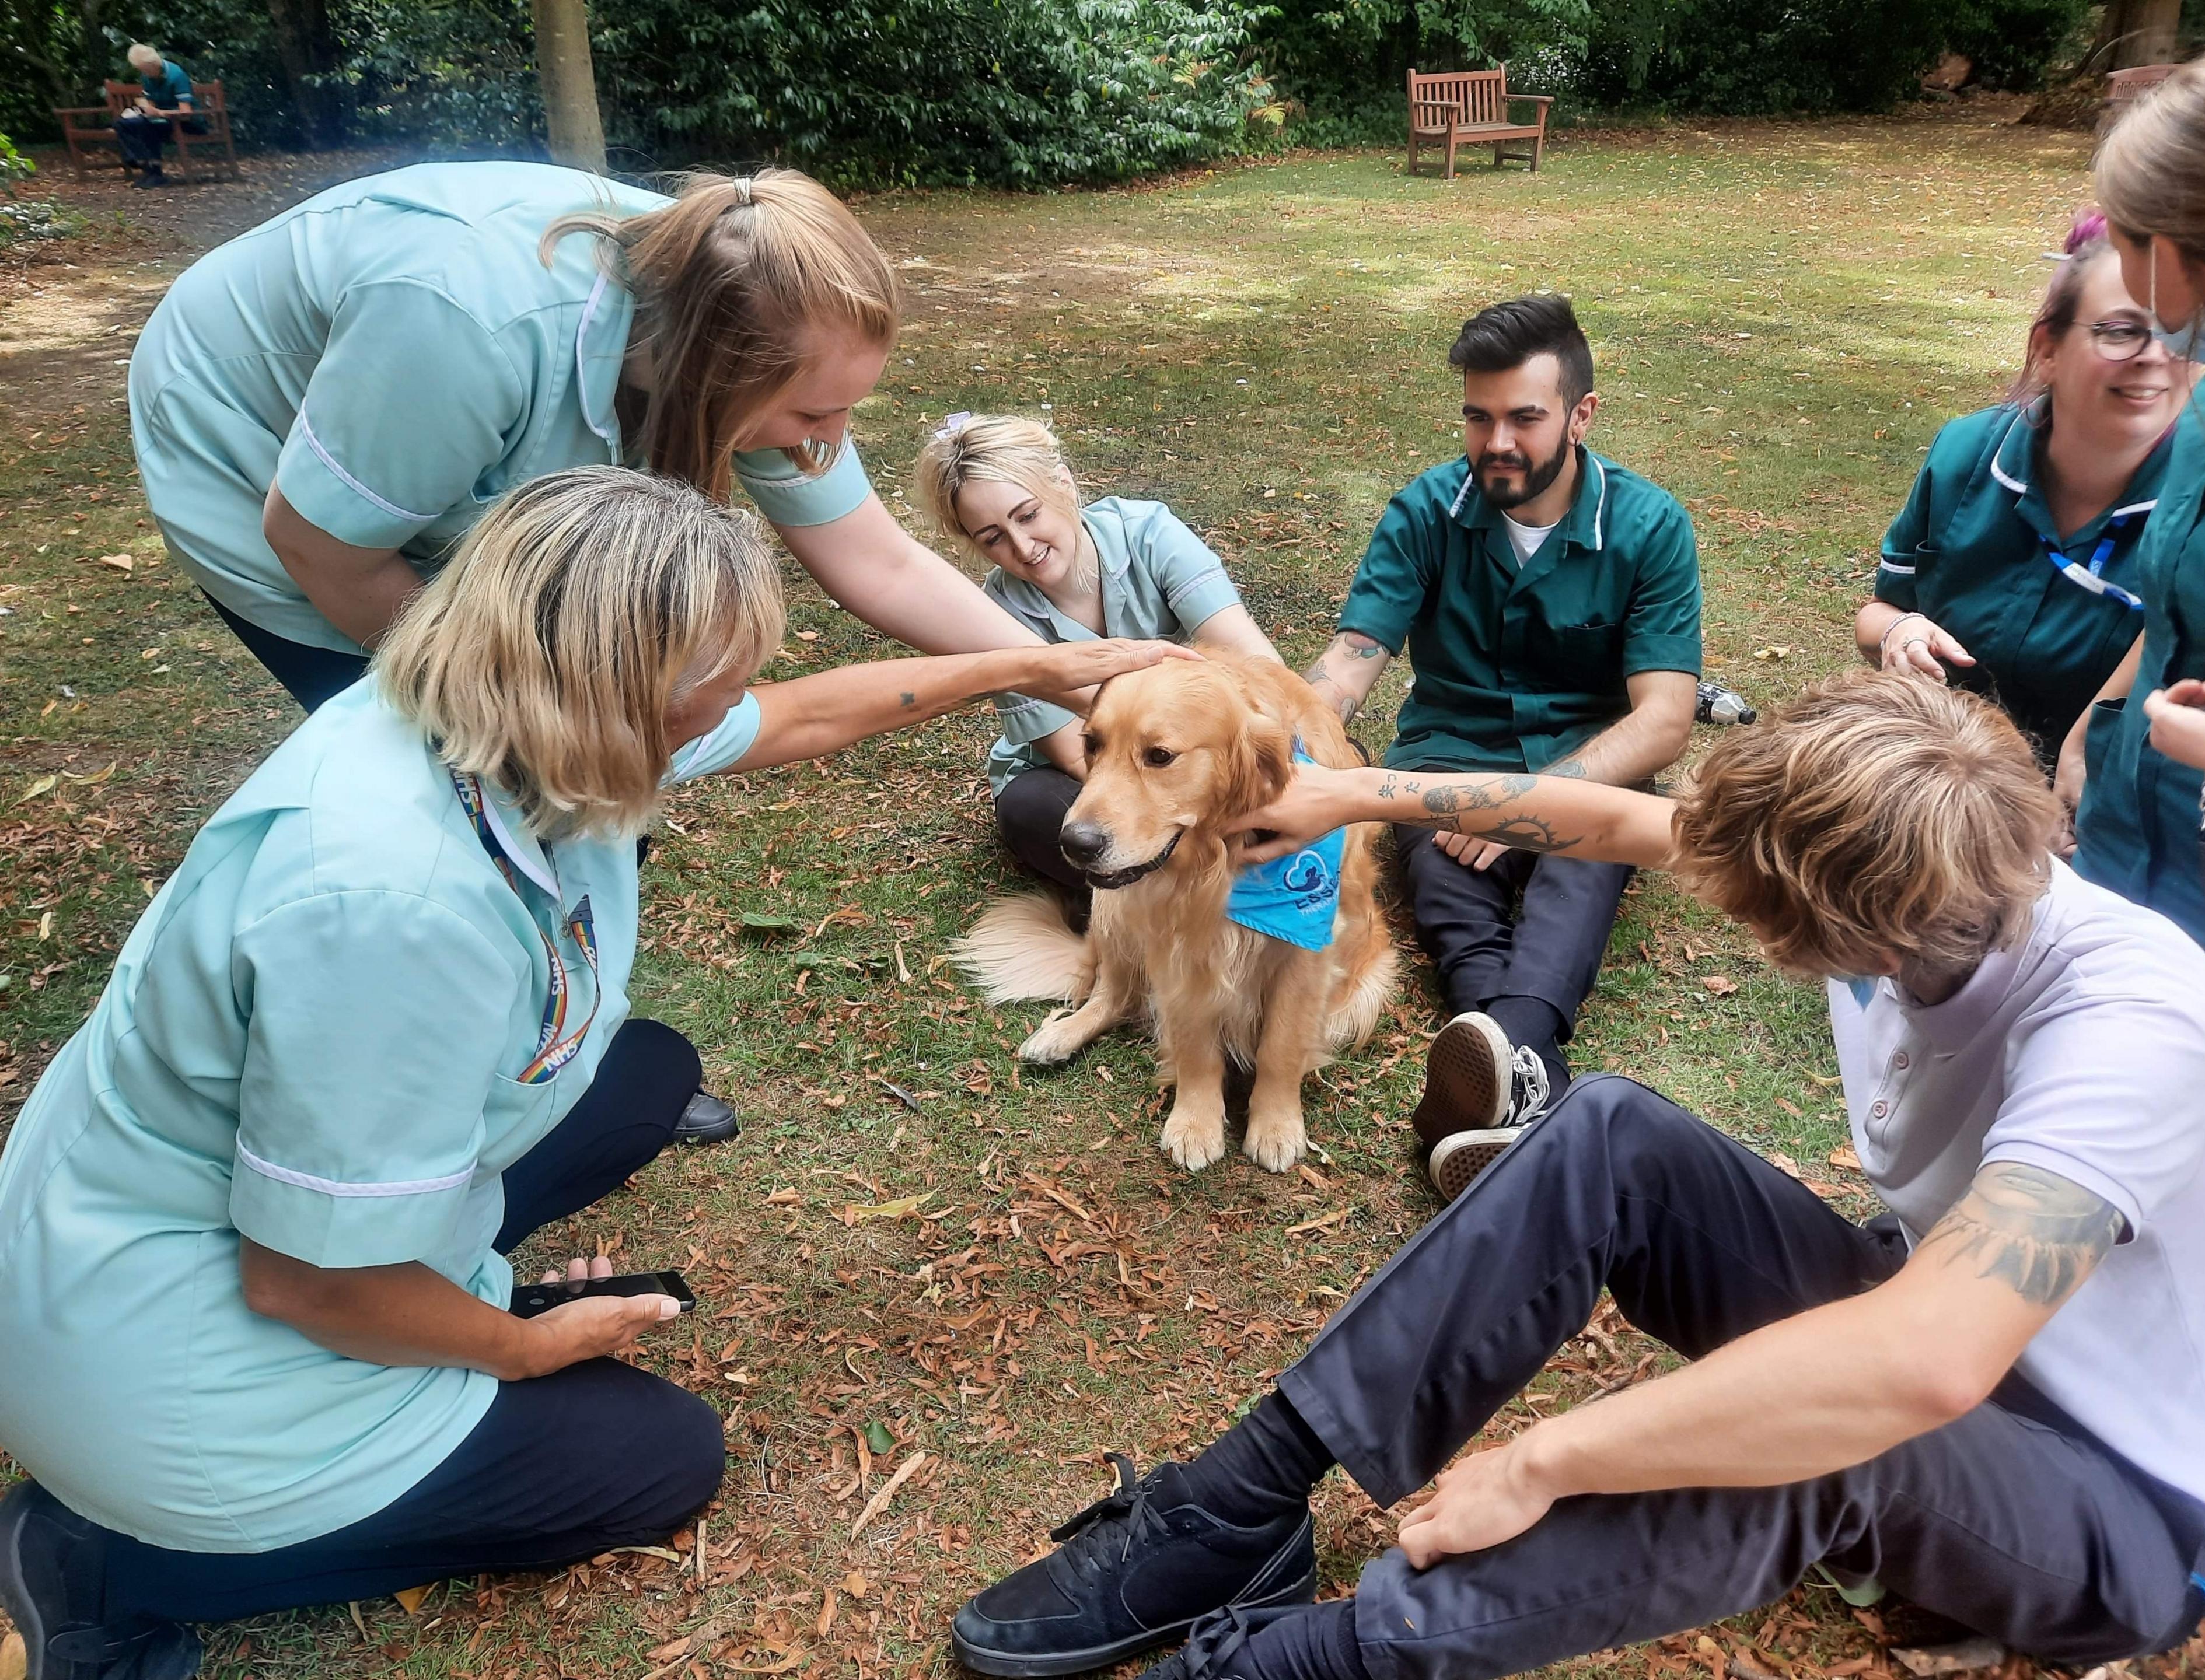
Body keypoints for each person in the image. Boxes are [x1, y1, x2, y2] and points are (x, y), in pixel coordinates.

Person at [0, 467, 1183, 1680]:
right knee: (655, 1458)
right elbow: (306, 1281)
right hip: (178, 1352)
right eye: (709, 686)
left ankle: (434, 1283)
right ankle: (109, 1561)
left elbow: (800, 718)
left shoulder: (486, 703)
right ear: (615, 695)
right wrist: (522, 1345)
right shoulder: (392, 910)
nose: (732, 705)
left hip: (138, 1215)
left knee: (645, 1074)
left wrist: (1026, 669)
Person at [948, 671, 2205, 1680]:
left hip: (2126, 1510)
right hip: (1950, 1336)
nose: (1719, 907)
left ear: (1863, 934)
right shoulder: (1914, 861)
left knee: (1835, 1435)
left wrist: (1549, 1458)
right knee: (1610, 1130)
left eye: (1754, 919)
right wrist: (1357, 796)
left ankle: (1336, 1658)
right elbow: (1618, 820)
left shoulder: (2133, 1022)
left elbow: (1919, 1368)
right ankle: (1237, 1509)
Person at [128, 163, 1075, 712]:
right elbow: (321, 545)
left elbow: (884, 565)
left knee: (582, 754)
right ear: (703, 369)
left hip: (437, 415)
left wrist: (1074, 677)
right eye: (812, 416)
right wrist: (527, 713)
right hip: (246, 442)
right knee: (467, 751)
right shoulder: (464, 323)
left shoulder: (750, 306)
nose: (829, 443)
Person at [1301, 293, 1700, 1155]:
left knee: (1585, 860)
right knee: (1445, 886)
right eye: (1478, 419)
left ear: (1581, 414)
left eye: (1525, 416)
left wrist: (1533, 801)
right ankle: (1531, 1075)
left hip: (1588, 765)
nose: (1497, 443)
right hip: (1446, 759)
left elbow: (1664, 722)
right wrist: (1280, 741)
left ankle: (1508, 1067)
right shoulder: (1425, 511)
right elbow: (1348, 665)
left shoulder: (1649, 525)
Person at [1856, 208, 2185, 772]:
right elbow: (1881, 610)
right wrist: (1899, 628)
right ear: (2048, 349)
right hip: (1940, 784)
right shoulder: (1966, 453)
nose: (2156, 355)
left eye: (2179, 332)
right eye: (2121, 330)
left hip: (2111, 812)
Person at [913, 412, 1281, 908]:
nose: (1024, 547)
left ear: (1063, 482)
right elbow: (1070, 751)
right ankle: (1161, 906)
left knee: (1277, 779)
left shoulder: (1149, 533)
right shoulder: (992, 614)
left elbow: (1255, 663)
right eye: (993, 537)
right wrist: (1153, 818)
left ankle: (1188, 889)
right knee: (1031, 810)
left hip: (1175, 755)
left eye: (1028, 515)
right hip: (1077, 773)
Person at [2067, 50, 2205, 946]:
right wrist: (2093, 731)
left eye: (2123, 239)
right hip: (2128, 841)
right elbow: (2179, 609)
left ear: (2167, 253)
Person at [113, 46, 201, 190]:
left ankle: (153, 170)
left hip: (186, 122)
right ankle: (141, 163)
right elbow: (152, 105)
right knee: (122, 124)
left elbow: (186, 112)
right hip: (161, 120)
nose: (144, 74)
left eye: (145, 70)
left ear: (153, 65)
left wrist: (159, 113)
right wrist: (143, 110)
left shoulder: (176, 75)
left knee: (147, 127)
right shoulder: (148, 77)